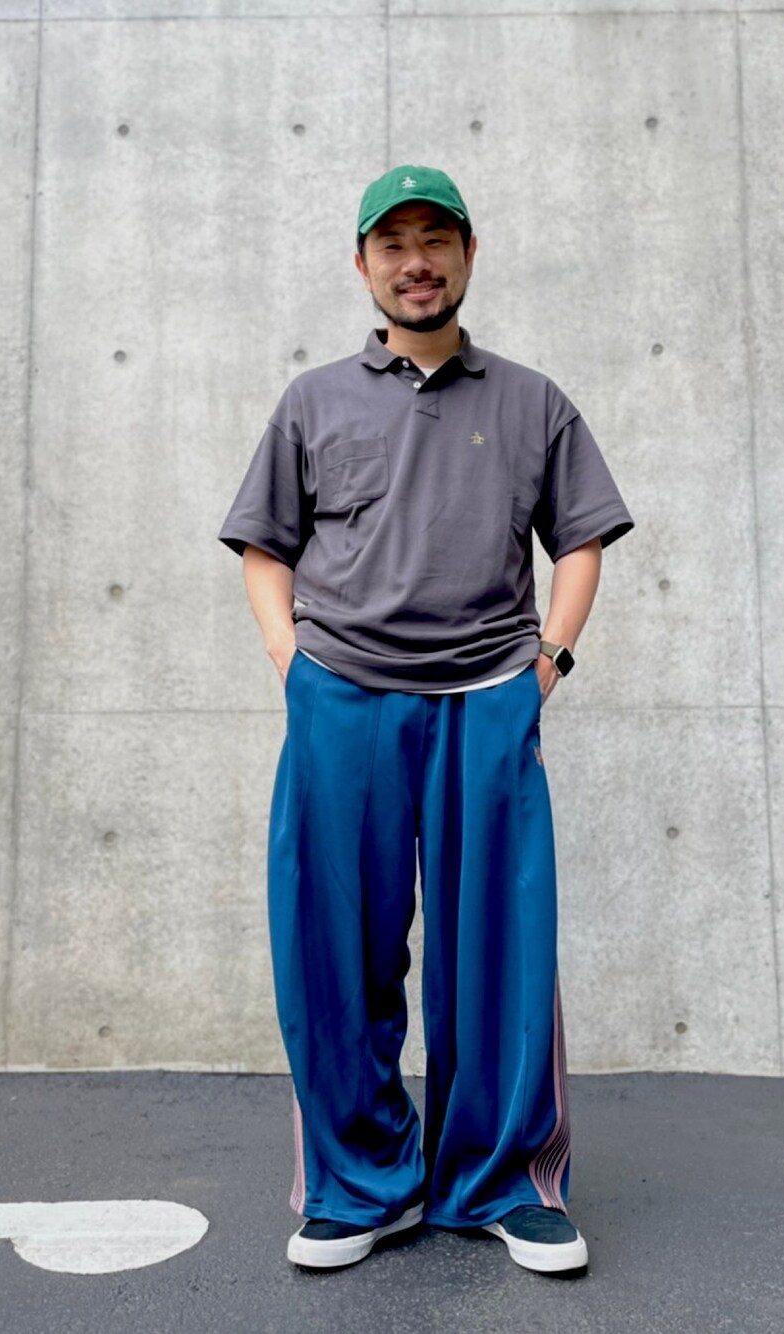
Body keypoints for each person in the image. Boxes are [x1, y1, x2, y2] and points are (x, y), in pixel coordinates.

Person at [218, 164, 634, 1274]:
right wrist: (290, 661)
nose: (416, 262)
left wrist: (547, 662)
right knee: (333, 944)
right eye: (393, 243)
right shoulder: (313, 400)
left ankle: (502, 1183)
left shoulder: (532, 401)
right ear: (362, 264)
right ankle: (359, 1185)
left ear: (467, 253)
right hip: (342, 696)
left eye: (435, 240)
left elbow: (581, 538)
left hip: (486, 697)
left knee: (500, 944)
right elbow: (264, 545)